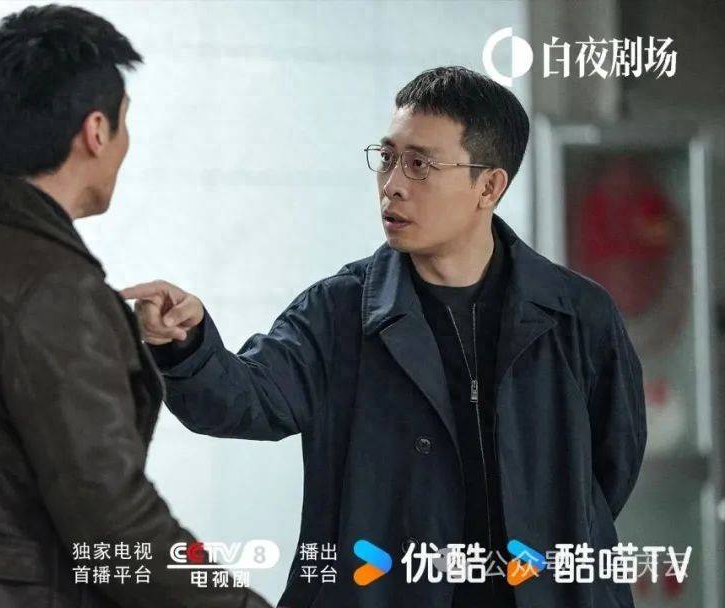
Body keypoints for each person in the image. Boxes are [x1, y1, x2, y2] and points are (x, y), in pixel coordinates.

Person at [122, 66, 647, 608]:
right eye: (388, 157)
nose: (392, 183)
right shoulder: (339, 311)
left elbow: (611, 468)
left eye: (419, 164)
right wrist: (184, 344)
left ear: (489, 187)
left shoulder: (577, 316)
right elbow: (246, 400)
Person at [0, 5, 271, 608]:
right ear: (96, 131)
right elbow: (117, 526)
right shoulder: (54, 289)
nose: (125, 144)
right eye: (124, 122)